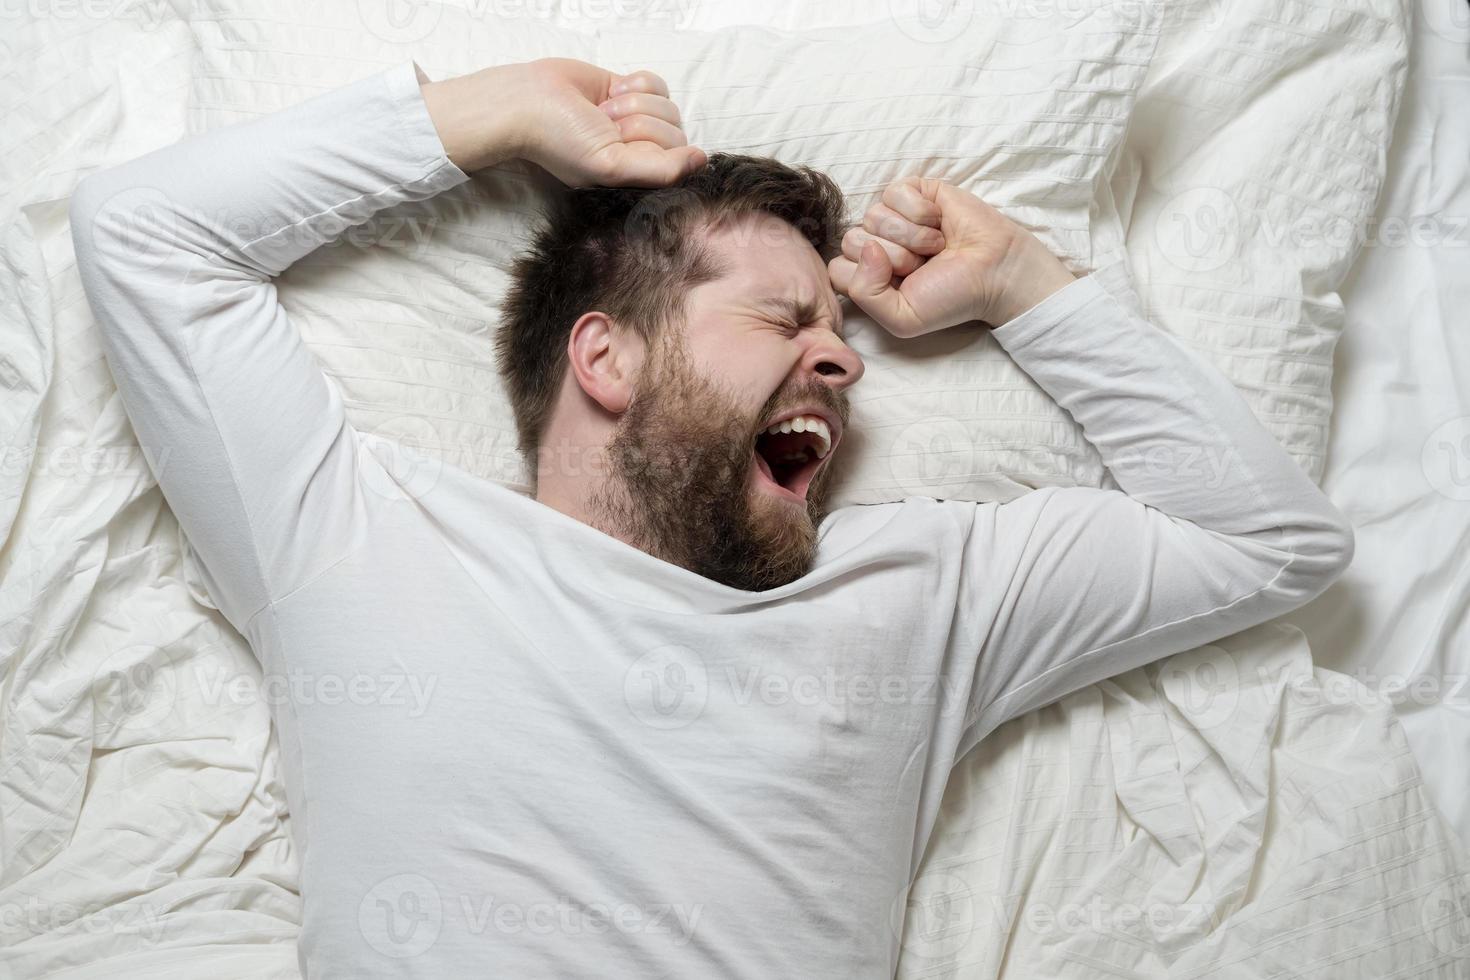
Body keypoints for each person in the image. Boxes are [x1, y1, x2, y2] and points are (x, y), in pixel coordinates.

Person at [69, 56, 1354, 979]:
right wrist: (500, 113)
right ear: (605, 359)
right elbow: (144, 234)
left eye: (839, 335)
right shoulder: (356, 537)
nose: (844, 364)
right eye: (787, 320)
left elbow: (1266, 541)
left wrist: (1022, 284)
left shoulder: (919, 588)